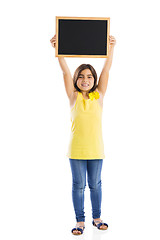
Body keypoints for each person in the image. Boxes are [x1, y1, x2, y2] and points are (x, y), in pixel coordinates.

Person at [50, 33, 116, 235]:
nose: (85, 79)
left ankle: (97, 218)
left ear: (94, 80)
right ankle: (80, 221)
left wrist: (111, 48)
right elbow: (64, 73)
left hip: (96, 149)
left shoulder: (100, 96)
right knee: (78, 185)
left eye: (89, 76)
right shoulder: (73, 96)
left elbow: (106, 71)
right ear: (76, 79)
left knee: (95, 185)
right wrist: (57, 51)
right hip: (77, 150)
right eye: (81, 76)